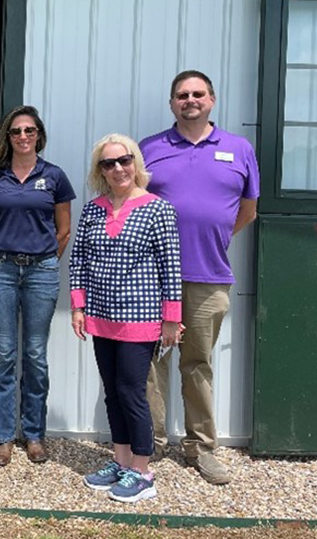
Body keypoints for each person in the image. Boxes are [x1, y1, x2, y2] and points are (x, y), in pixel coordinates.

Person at [141, 70, 259, 485]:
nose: (190, 100)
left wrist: (215, 236)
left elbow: (248, 210)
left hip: (210, 276)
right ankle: (149, 445)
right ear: (172, 103)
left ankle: (201, 449)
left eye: (197, 94)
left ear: (212, 99)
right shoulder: (150, 149)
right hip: (152, 279)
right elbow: (134, 204)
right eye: (181, 95)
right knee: (151, 365)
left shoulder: (238, 149)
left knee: (197, 364)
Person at [70, 134, 182, 504]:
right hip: (100, 316)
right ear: (99, 170)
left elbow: (170, 267)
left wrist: (171, 318)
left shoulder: (157, 209)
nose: (117, 168)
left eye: (123, 160)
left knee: (134, 392)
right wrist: (78, 306)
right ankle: (119, 461)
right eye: (108, 163)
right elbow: (79, 260)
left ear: (135, 163)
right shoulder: (92, 210)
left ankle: (142, 470)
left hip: (140, 318)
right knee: (113, 392)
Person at [0, 105, 75, 466]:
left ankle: (33, 434)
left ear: (38, 136)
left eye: (29, 130)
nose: (22, 137)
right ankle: (3, 436)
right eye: (16, 131)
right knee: (4, 353)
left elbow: (63, 230)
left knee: (34, 354)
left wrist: (45, 259)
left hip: (41, 272)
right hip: (0, 269)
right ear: (8, 137)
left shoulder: (55, 176)